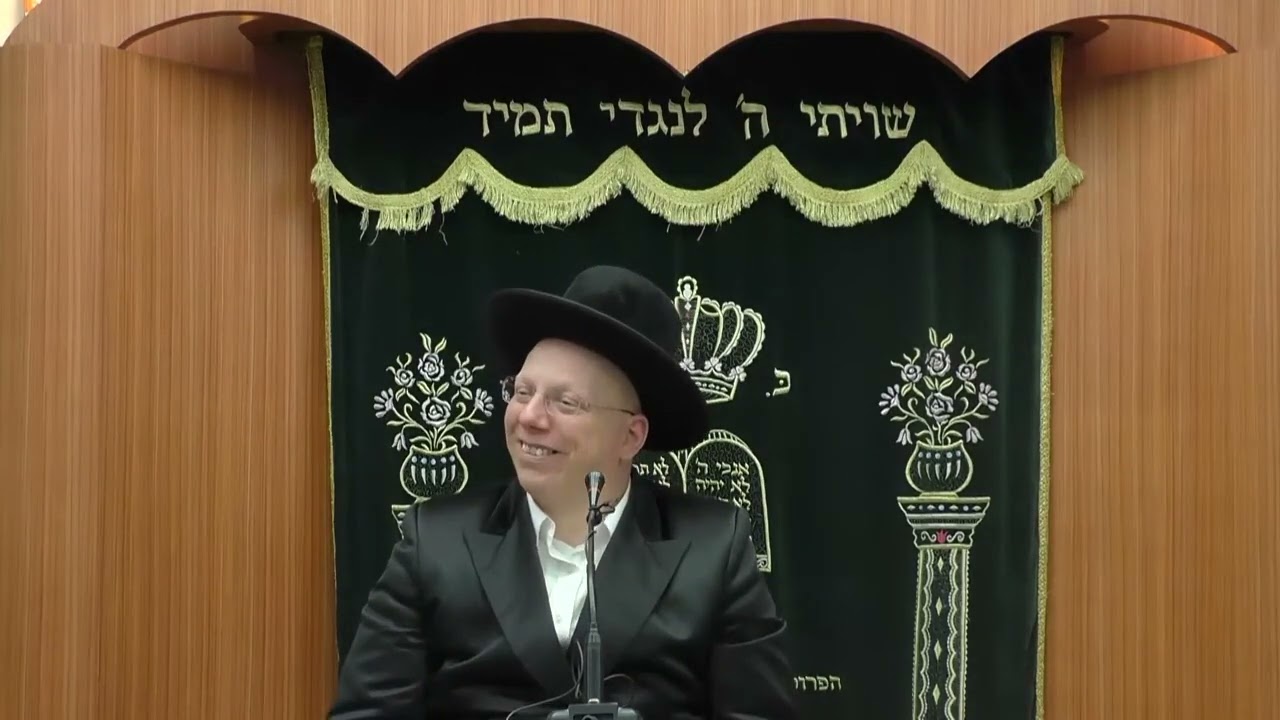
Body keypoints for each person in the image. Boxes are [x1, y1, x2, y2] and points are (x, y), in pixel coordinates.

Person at [330, 265, 797, 719]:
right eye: (521, 392)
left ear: (630, 436)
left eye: (565, 402)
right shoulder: (435, 541)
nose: (529, 417)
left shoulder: (713, 547)